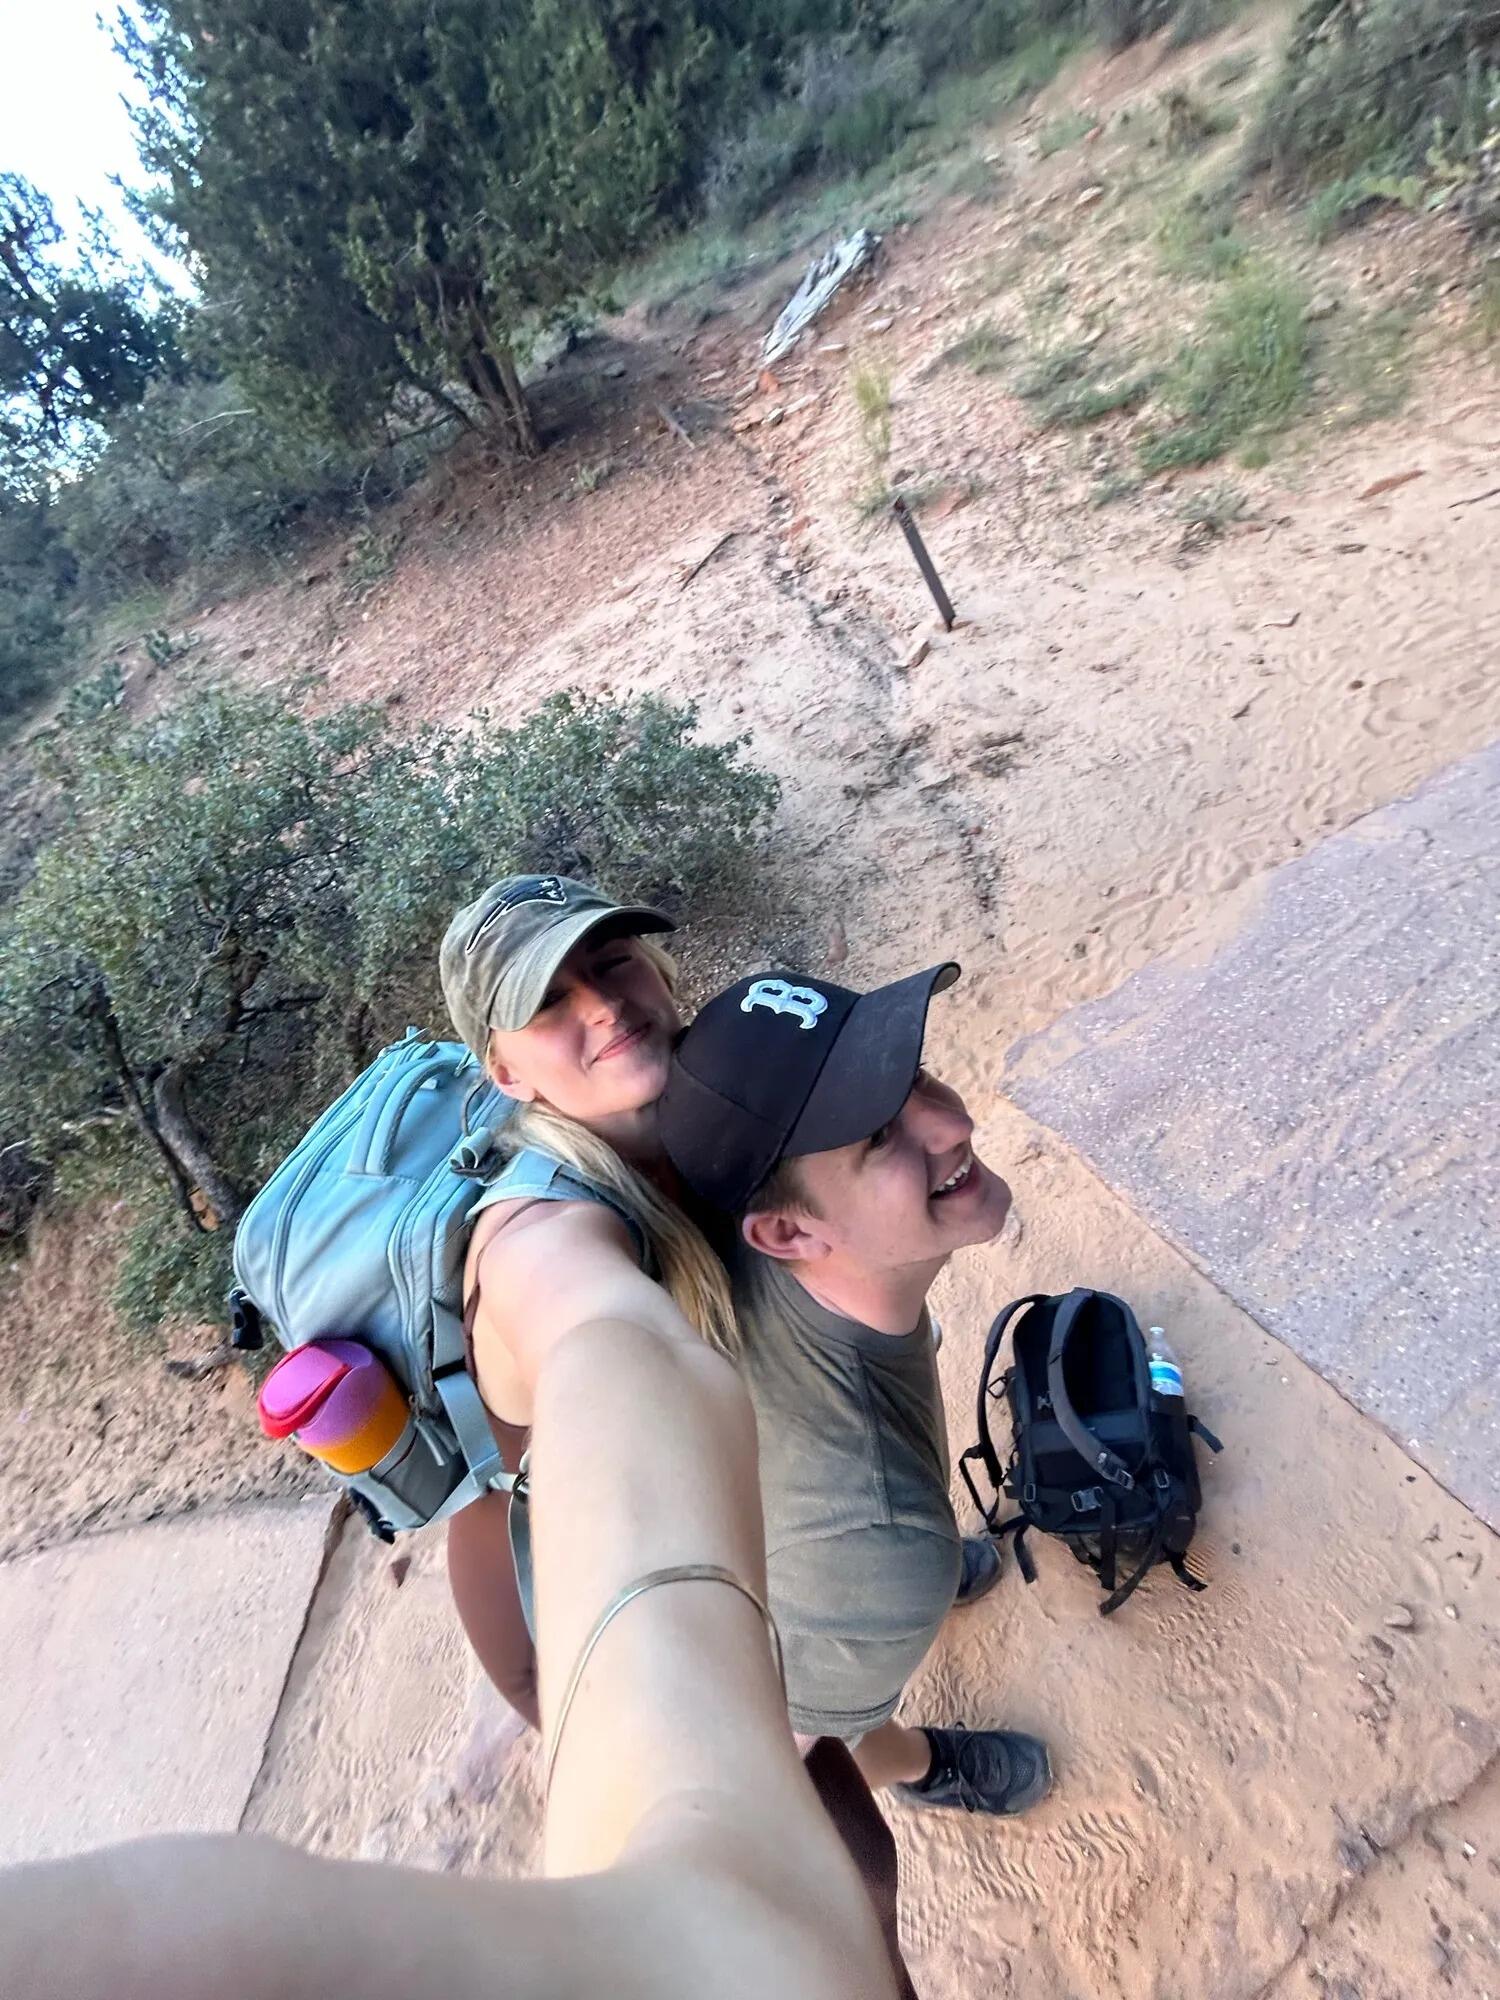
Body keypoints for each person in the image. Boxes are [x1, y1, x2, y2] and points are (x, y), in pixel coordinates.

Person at [0, 1200, 894, 2000]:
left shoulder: (491, 1519)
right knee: (822, 1784)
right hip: (710, 1677)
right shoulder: (502, 1546)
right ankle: (911, 1762)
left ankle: (900, 1758)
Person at [436, 873, 917, 1994]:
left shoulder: (706, 1106)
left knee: (840, 1648)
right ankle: (919, 1762)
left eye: (610, 961)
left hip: (738, 1498)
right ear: (505, 1072)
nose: (603, 1004)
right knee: (838, 1850)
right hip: (568, 1603)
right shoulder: (542, 1229)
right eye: (549, 1002)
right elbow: (596, 1327)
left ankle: (909, 1737)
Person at [658, 966, 1054, 1816]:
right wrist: (869, 1596)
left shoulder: (717, 1203)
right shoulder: (879, 1541)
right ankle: (924, 1767)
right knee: (837, 1728)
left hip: (786, 1513)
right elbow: (800, 1746)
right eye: (878, 1136)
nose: (953, 1122)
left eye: (914, 1077)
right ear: (786, 1232)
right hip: (773, 1599)